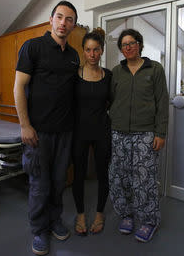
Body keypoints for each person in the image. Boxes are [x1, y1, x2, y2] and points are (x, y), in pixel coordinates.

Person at [14, 0, 79, 256]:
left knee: (58, 181)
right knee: (40, 184)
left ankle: (54, 220)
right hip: (38, 133)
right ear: (51, 19)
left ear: (73, 25)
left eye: (69, 19)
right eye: (60, 17)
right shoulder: (33, 47)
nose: (64, 23)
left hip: (65, 132)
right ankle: (39, 229)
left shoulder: (74, 56)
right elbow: (18, 87)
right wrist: (25, 125)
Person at [108, 28, 169, 243]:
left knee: (145, 179)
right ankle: (126, 215)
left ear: (140, 45)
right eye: (124, 45)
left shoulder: (155, 69)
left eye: (132, 43)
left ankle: (149, 220)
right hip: (119, 133)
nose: (128, 47)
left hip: (145, 133)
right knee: (120, 177)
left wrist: (160, 132)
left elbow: (162, 103)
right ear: (121, 49)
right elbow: (111, 100)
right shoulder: (116, 71)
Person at [72, 28, 112, 236]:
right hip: (79, 132)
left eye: (96, 50)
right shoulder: (75, 75)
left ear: (102, 50)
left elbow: (113, 102)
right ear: (83, 51)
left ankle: (99, 213)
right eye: (88, 50)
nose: (92, 54)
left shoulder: (109, 76)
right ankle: (80, 214)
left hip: (102, 131)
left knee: (102, 174)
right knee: (78, 174)